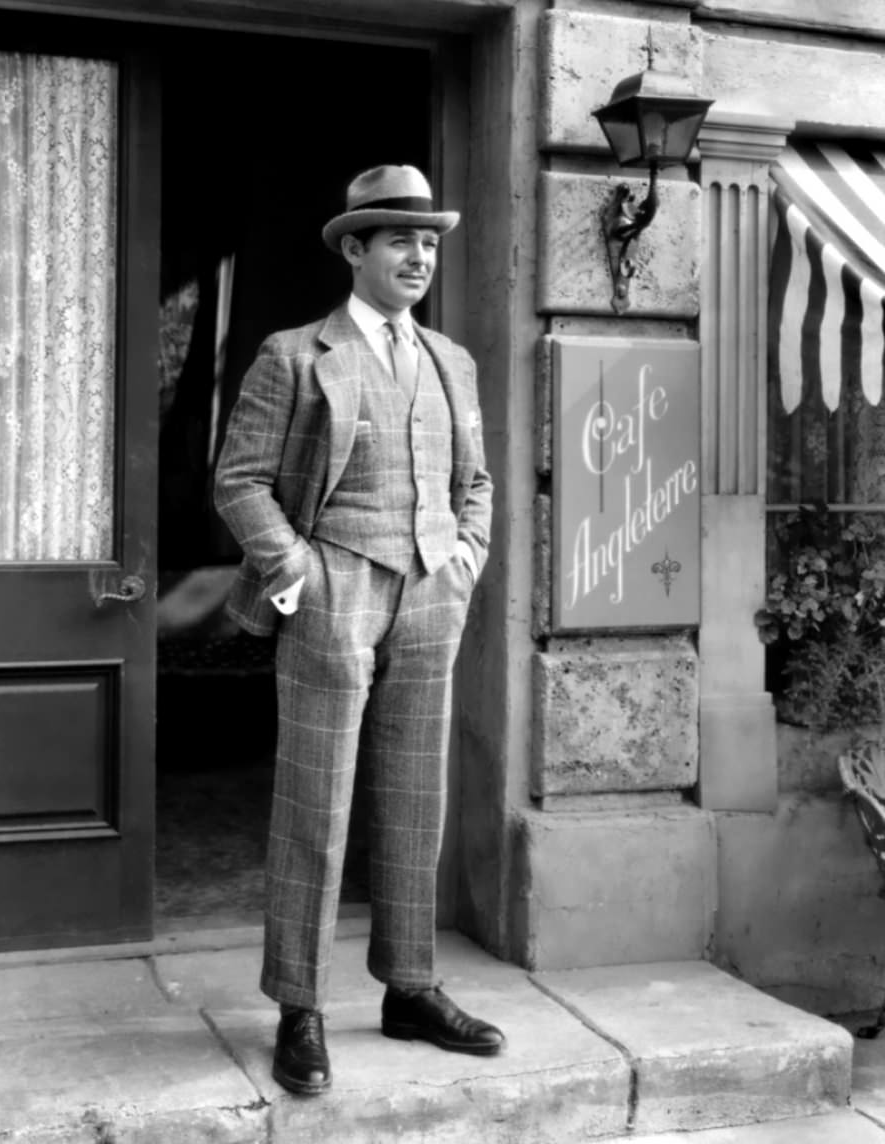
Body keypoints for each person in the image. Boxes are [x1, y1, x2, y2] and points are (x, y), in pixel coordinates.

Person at [214, 164, 502, 1096]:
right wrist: (294, 569)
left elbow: (478, 483)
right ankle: (300, 1005)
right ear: (354, 249)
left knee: (417, 796)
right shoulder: (295, 355)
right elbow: (239, 481)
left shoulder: (451, 361)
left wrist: (465, 556)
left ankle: (410, 988)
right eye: (399, 241)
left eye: (428, 242)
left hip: (430, 593)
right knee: (316, 802)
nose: (419, 256)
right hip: (333, 585)